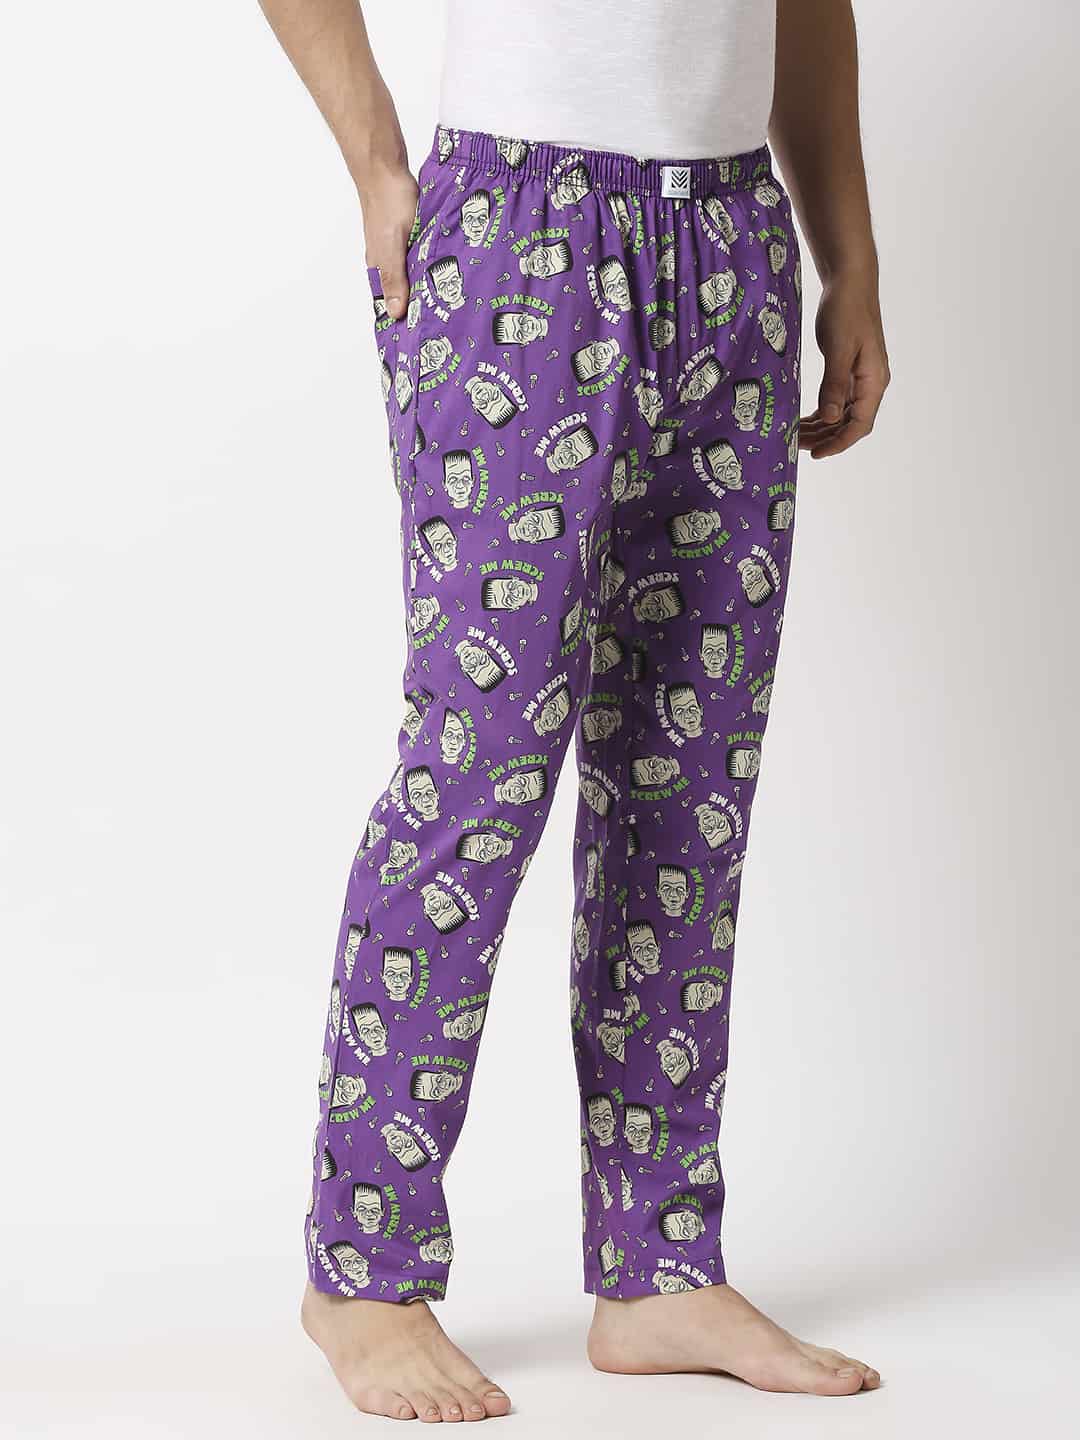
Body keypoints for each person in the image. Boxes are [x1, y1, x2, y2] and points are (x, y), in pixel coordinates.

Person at [257, 0, 890, 1420]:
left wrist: (850, 259)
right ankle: (362, 1273)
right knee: (474, 785)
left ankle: (659, 1270)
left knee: (688, 787)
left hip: (732, 240)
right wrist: (376, 166)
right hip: (520, 236)